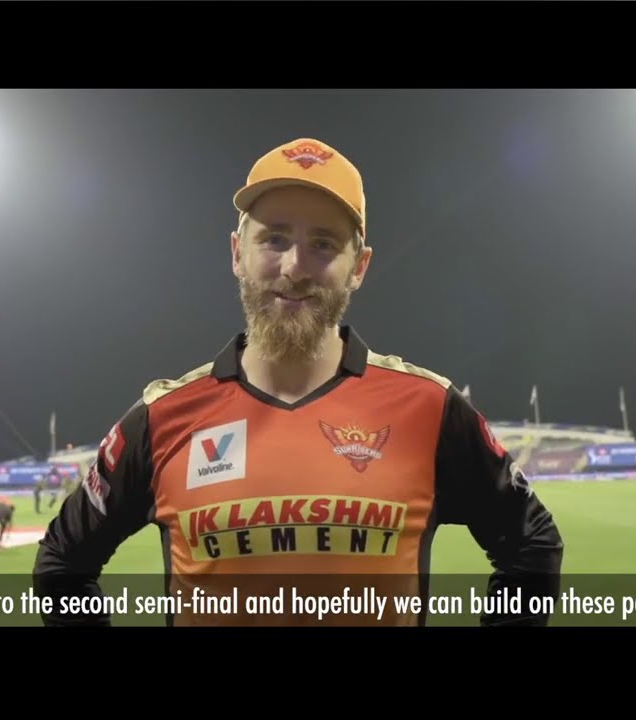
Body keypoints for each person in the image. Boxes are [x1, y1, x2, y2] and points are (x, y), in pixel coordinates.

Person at [32, 137, 564, 627]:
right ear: (237, 253)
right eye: (274, 238)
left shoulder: (430, 408)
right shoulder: (162, 418)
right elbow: (62, 564)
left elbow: (532, 544)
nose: (294, 266)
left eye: (324, 244)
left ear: (360, 267)